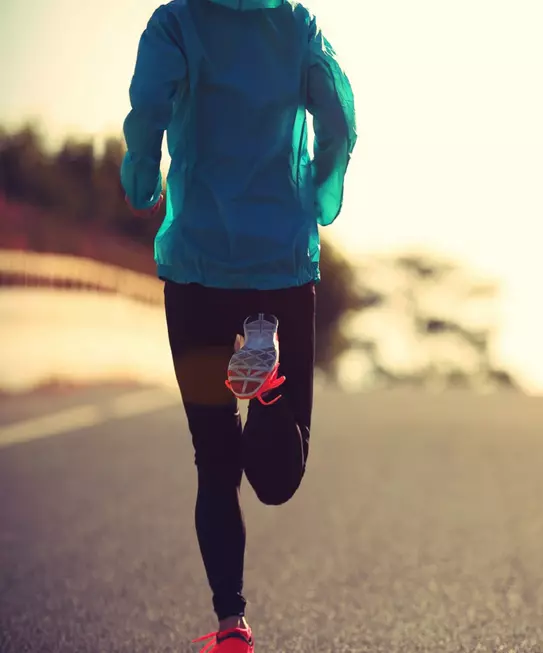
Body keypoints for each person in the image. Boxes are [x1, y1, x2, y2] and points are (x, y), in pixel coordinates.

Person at [119, 0, 356, 651]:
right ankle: (270, 382)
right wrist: (324, 186)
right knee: (277, 479)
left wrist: (141, 172)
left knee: (214, 459)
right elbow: (339, 116)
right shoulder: (296, 26)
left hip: (197, 272)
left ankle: (231, 624)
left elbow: (148, 109)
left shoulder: (176, 23)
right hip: (279, 269)